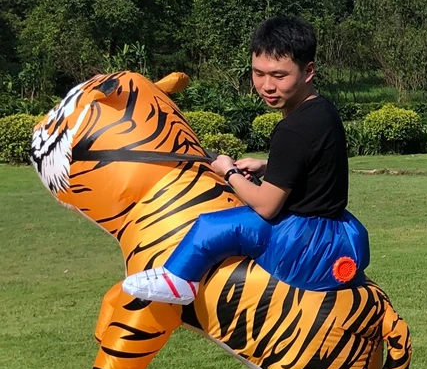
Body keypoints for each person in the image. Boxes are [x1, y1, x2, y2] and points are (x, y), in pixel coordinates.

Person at [123, 16, 369, 304]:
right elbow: (317, 166)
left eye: (279, 76)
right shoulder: (322, 110)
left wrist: (229, 172)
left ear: (309, 71)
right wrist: (268, 167)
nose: (267, 86)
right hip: (335, 230)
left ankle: (177, 281)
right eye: (258, 73)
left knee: (214, 226)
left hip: (306, 241)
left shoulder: (293, 130)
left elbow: (266, 207)